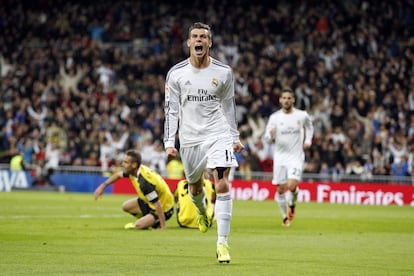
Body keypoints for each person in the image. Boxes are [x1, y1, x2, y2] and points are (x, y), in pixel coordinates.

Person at [164, 22, 244, 263]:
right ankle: (201, 211)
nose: (199, 40)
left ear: (209, 43)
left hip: (217, 134)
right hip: (189, 139)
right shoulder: (176, 73)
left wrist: (234, 137)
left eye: (203, 37)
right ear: (189, 42)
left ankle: (222, 244)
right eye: (194, 36)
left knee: (221, 185)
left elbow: (229, 106)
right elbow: (171, 110)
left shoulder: (223, 72)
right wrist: (170, 141)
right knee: (195, 189)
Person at [263, 88, 314, 227]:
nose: (286, 100)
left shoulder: (301, 115)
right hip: (279, 157)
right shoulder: (275, 117)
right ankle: (285, 216)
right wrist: (270, 136)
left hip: (295, 157)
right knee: (280, 189)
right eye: (284, 98)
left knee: (291, 186)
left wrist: (308, 140)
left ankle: (292, 203)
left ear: (293, 100)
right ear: (280, 100)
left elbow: (310, 127)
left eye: (289, 98)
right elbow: (266, 138)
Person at [93, 149, 174, 230]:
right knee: (126, 206)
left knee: (138, 226)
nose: (122, 164)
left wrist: (163, 228)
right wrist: (102, 186)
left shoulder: (144, 182)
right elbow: (118, 175)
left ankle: (157, 223)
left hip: (165, 209)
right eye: (123, 161)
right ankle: (149, 220)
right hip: (149, 203)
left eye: (126, 162)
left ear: (134, 165)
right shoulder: (134, 171)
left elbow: (158, 204)